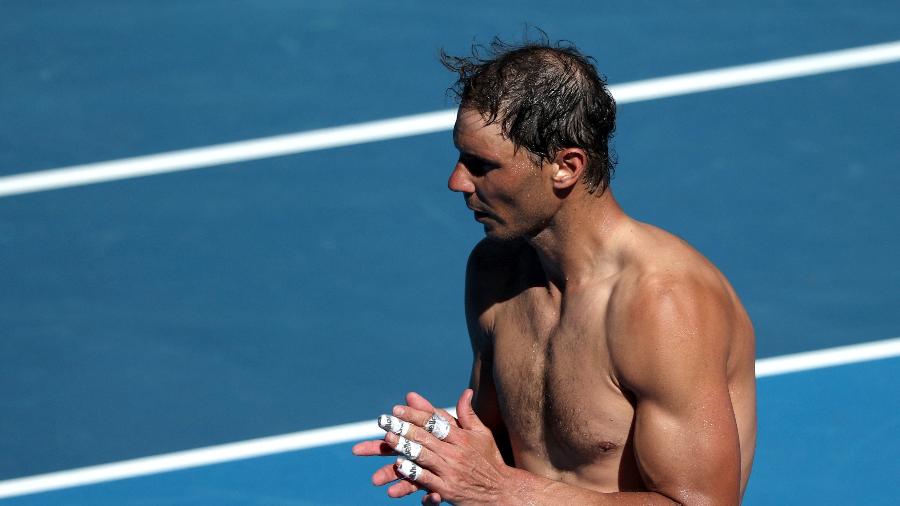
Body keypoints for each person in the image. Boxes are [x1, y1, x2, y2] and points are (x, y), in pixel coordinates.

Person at [353, 36, 757, 505]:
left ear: (566, 167)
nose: (456, 181)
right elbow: (499, 444)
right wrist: (449, 456)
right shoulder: (496, 271)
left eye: (482, 165)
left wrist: (501, 491)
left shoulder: (661, 303)